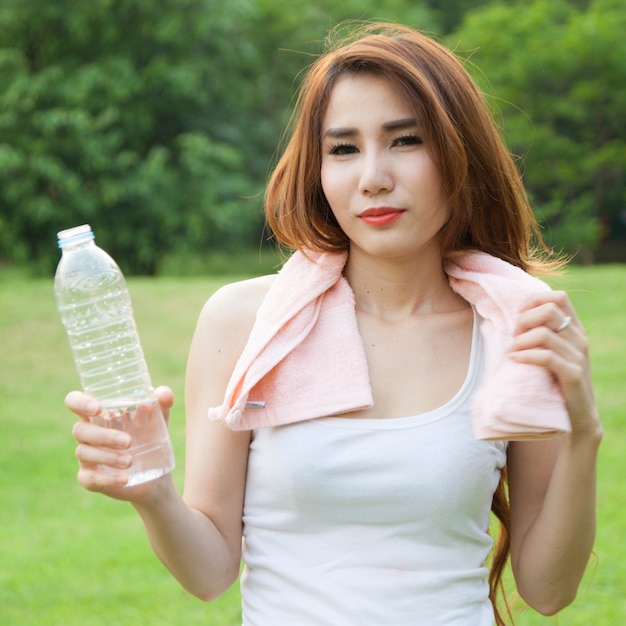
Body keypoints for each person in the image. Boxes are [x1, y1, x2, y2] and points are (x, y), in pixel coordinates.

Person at [66, 22, 602, 626]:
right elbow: (211, 569)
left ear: (459, 154)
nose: (372, 175)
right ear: (318, 171)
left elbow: (548, 590)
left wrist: (583, 433)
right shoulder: (245, 323)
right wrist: (153, 494)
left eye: (405, 141)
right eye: (343, 148)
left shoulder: (516, 326)